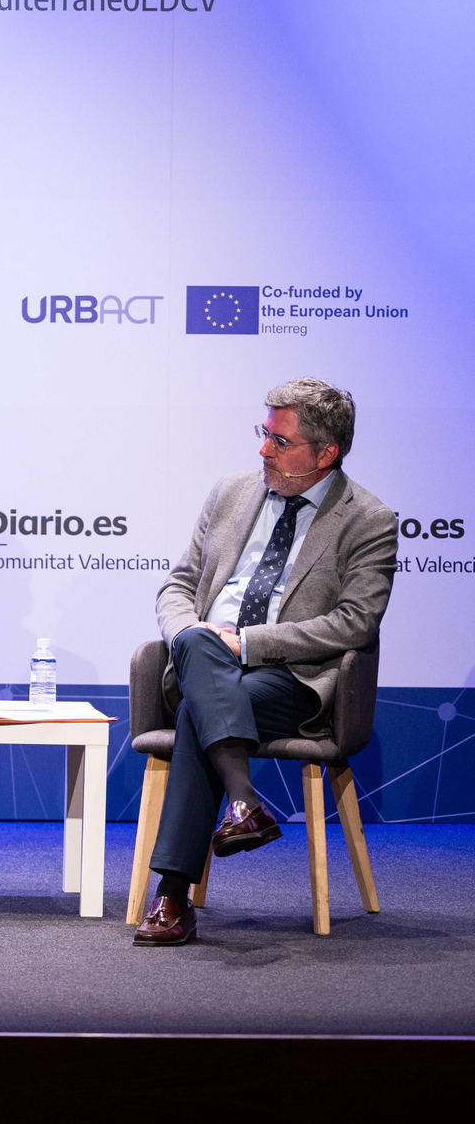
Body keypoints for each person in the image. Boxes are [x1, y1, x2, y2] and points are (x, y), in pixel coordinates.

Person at [134, 378, 396, 946]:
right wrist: (189, 632)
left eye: (281, 442)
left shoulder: (368, 521)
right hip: (202, 658)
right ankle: (244, 801)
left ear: (326, 453)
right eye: (264, 434)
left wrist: (250, 644)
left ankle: (172, 897)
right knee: (204, 660)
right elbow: (178, 584)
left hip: (288, 679)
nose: (263, 451)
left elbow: (355, 621)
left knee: (205, 712)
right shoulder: (230, 492)